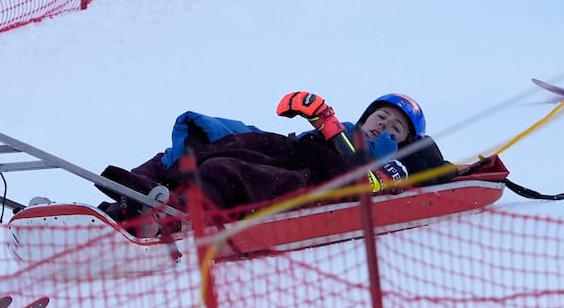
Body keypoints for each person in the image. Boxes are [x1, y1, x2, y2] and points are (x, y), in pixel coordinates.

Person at [97, 92, 447, 233]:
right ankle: (123, 202)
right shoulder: (344, 131)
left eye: (395, 127)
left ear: (404, 142)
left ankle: (174, 219)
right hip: (291, 151)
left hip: (313, 180)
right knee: (201, 143)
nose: (383, 125)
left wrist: (325, 122)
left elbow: (359, 182)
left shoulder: (393, 165)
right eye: (381, 116)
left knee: (225, 172)